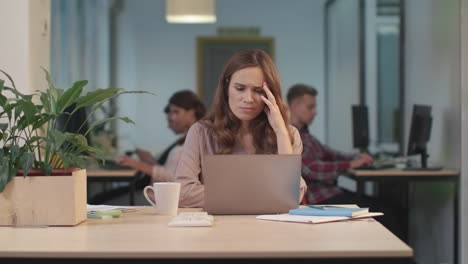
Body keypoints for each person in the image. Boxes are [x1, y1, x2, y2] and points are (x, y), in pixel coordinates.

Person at [175, 50, 307, 208]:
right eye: (239, 88)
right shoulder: (200, 132)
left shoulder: (288, 134)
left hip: (269, 228)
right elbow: (183, 193)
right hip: (217, 227)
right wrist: (262, 195)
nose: (248, 99)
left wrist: (280, 132)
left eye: (258, 91)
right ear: (226, 88)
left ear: (270, 94)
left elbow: (292, 196)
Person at [286, 83, 374, 205]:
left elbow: (330, 153)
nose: (315, 112)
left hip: (328, 192)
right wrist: (350, 164)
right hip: (318, 198)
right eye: (310, 107)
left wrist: (357, 158)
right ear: (294, 106)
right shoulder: (289, 136)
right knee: (386, 209)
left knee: (385, 206)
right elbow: (309, 168)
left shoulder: (306, 135)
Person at [117, 90, 206, 184]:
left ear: (191, 112)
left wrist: (136, 164)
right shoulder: (186, 139)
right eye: (170, 112)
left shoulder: (195, 141)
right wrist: (150, 161)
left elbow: (175, 178)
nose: (171, 118)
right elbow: (171, 170)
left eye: (176, 112)